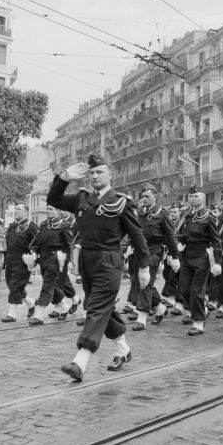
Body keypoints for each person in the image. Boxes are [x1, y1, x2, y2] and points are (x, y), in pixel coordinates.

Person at [47, 154, 150, 381]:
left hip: (109, 260)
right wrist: (64, 178)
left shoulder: (122, 202)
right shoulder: (82, 198)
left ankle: (80, 361)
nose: (95, 176)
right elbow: (54, 200)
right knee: (103, 308)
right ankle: (123, 349)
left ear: (110, 174)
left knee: (96, 307)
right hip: (87, 260)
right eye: (92, 173)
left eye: (99, 172)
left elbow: (137, 236)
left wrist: (144, 267)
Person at [129, 183, 179, 331]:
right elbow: (134, 231)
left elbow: (170, 236)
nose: (144, 198)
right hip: (139, 251)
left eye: (147, 196)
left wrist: (175, 256)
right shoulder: (138, 212)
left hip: (154, 250)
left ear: (155, 196)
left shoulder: (161, 213)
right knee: (138, 280)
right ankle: (159, 307)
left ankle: (142, 317)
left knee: (146, 282)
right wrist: (130, 246)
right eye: (142, 196)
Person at [177, 185, 222, 336]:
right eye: (191, 196)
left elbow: (216, 240)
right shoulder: (187, 215)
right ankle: (200, 309)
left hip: (202, 255)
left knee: (196, 291)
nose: (192, 198)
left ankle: (198, 322)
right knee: (184, 289)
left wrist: (217, 262)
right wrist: (180, 242)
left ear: (203, 198)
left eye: (196, 196)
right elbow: (181, 233)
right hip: (187, 255)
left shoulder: (209, 217)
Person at [28, 204, 74, 325]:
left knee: (47, 285)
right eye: (47, 209)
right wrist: (34, 252)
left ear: (58, 211)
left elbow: (71, 245)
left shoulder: (63, 225)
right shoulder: (44, 224)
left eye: (51, 209)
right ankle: (64, 306)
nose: (48, 211)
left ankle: (39, 315)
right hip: (44, 259)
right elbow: (37, 241)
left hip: (56, 259)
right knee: (52, 286)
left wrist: (67, 260)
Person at [0, 204, 38, 322]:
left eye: (19, 209)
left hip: (23, 260)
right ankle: (30, 302)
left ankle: (12, 314)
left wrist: (34, 261)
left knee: (15, 286)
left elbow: (38, 244)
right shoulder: (12, 226)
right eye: (15, 209)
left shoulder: (31, 226)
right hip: (10, 259)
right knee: (11, 285)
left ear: (26, 212)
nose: (16, 211)